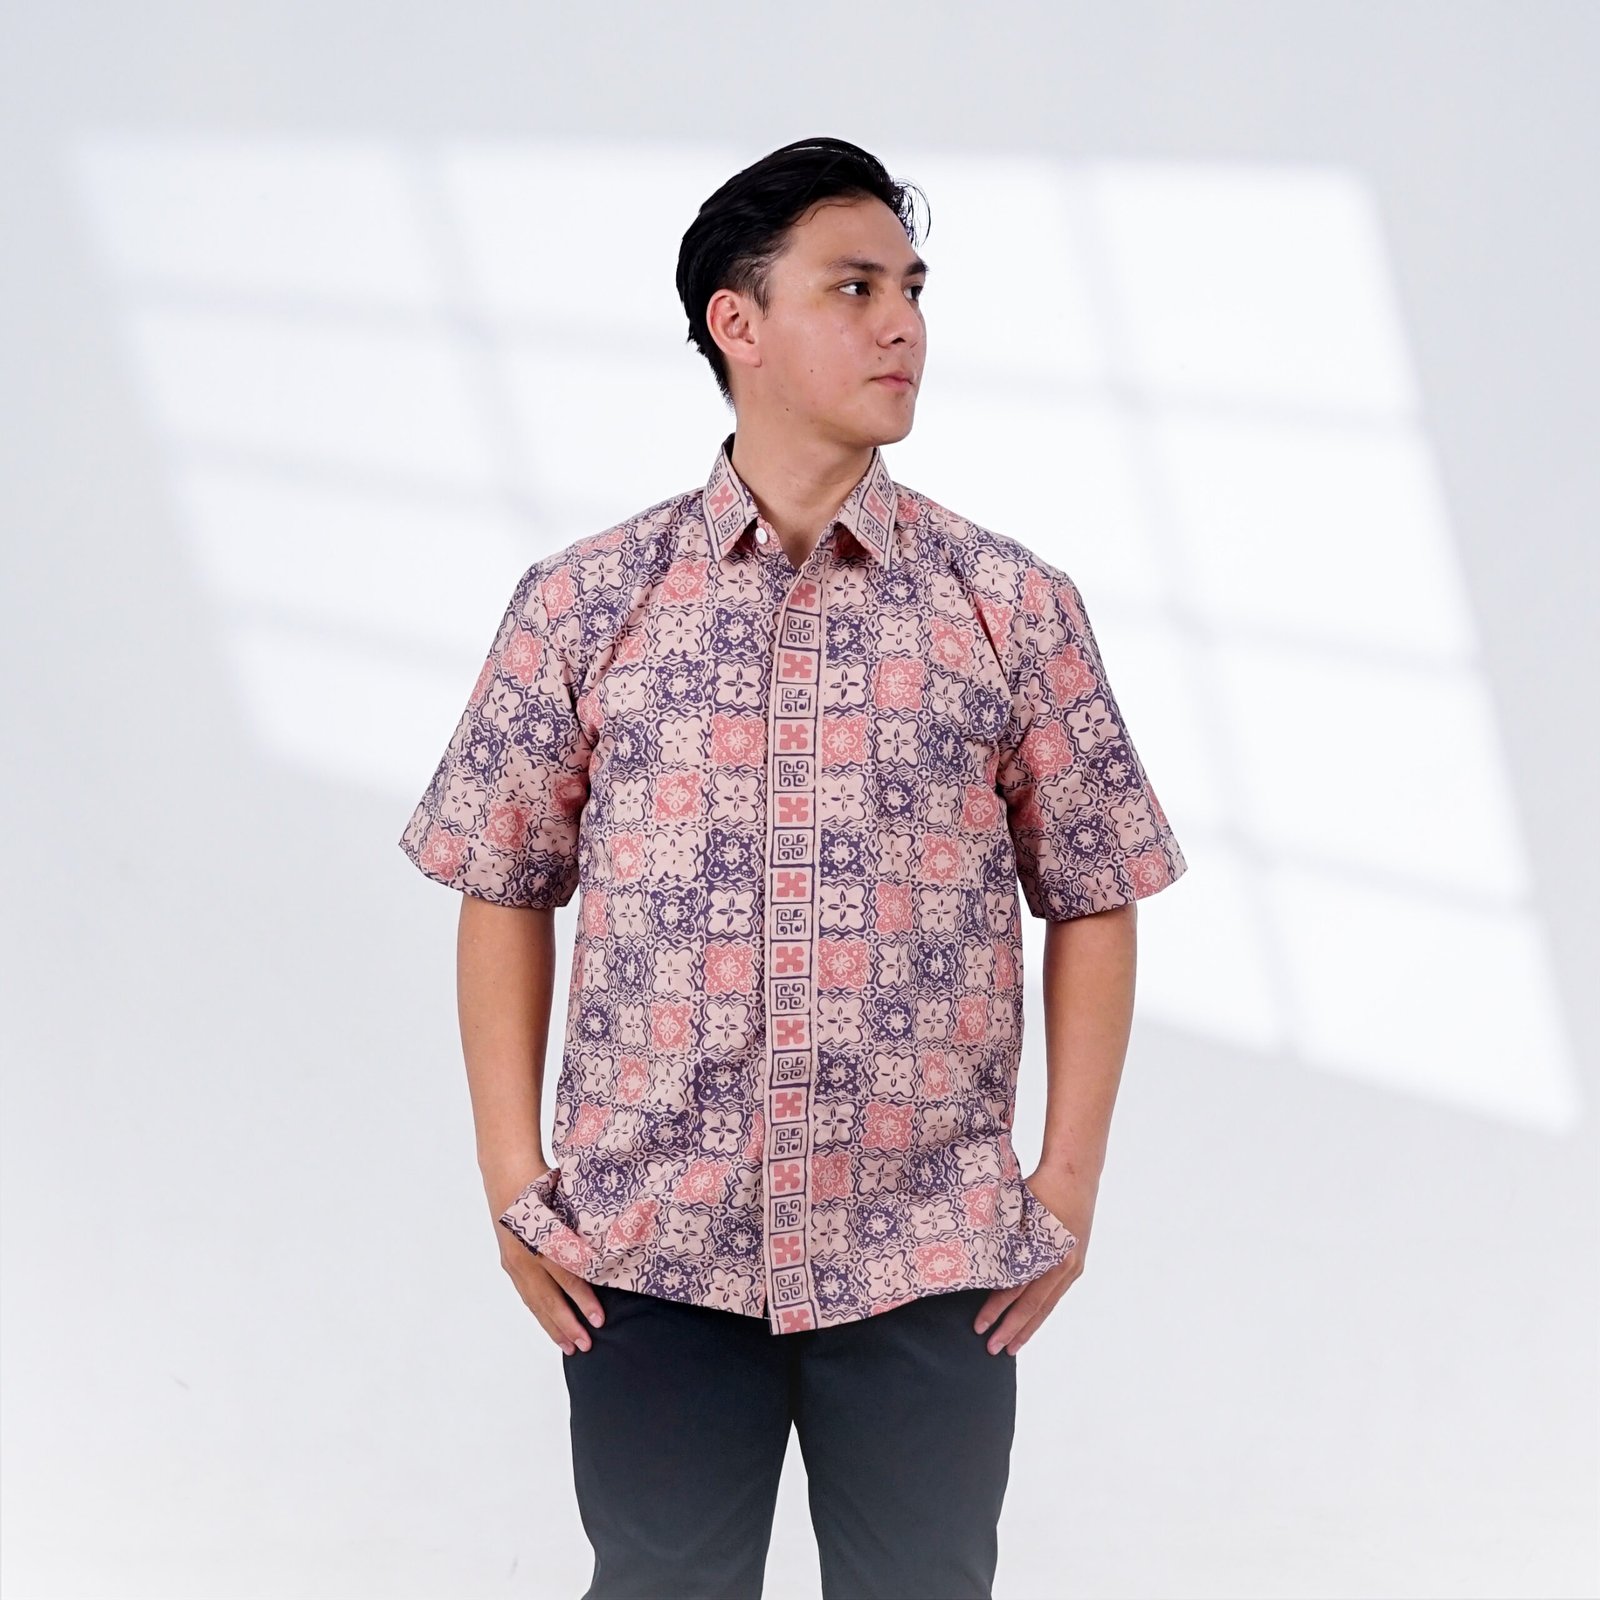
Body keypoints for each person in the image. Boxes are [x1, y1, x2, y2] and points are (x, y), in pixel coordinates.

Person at [399, 134, 1188, 1600]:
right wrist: (515, 1177)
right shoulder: (586, 602)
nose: (903, 326)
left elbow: (1096, 888)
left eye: (913, 289)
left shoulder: (1010, 604)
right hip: (649, 1247)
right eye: (854, 287)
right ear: (737, 323)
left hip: (929, 1253)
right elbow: (500, 877)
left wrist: (1066, 1182)